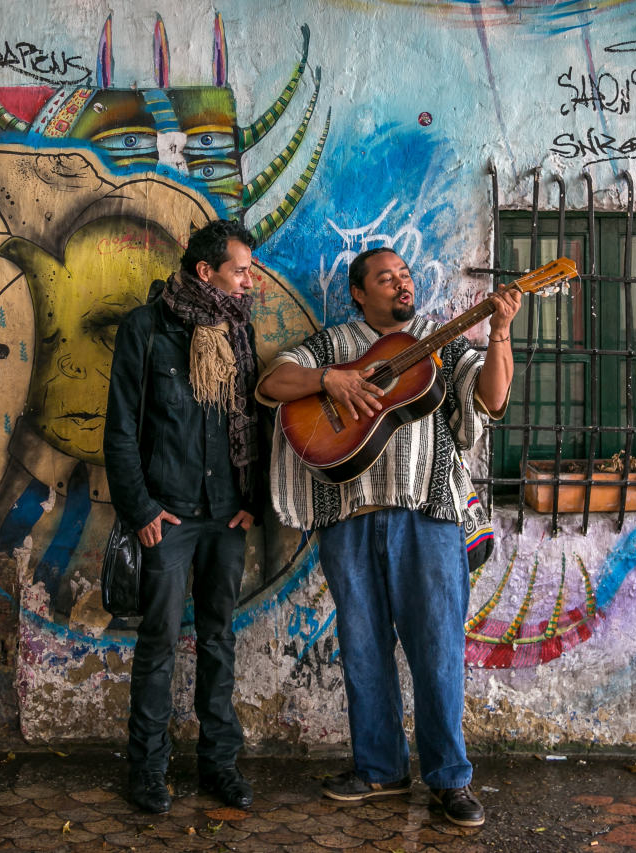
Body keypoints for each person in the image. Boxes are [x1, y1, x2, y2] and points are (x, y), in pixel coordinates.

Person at [255, 247, 521, 828]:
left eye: (404, 275)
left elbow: (492, 400)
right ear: (358, 292)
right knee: (363, 647)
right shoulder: (333, 344)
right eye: (386, 277)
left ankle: (450, 779)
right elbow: (273, 382)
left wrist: (499, 331)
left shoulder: (442, 342)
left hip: (428, 514)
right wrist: (330, 380)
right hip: (346, 515)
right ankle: (379, 768)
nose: (401, 283)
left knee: (437, 648)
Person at [103, 219, 262, 815]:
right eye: (240, 270)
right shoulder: (145, 330)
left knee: (219, 640)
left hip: (226, 518)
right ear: (206, 272)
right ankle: (147, 771)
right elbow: (120, 431)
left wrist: (249, 501)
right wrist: (141, 508)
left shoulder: (240, 332)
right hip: (166, 518)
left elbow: (253, 417)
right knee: (159, 643)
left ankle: (219, 765)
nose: (249, 281)